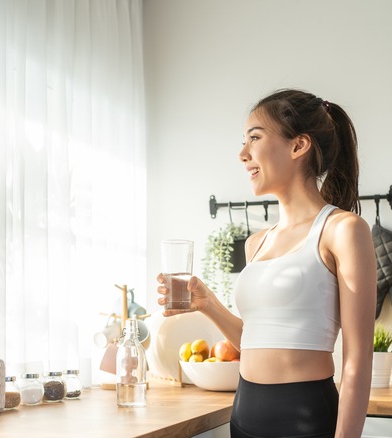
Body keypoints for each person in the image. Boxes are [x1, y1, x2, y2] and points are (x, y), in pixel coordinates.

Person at [157, 89, 376, 438]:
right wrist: (207, 304)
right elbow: (255, 340)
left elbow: (358, 359)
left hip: (306, 419)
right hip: (244, 416)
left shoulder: (342, 230)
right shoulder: (257, 243)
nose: (243, 154)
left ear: (298, 145)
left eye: (254, 138)